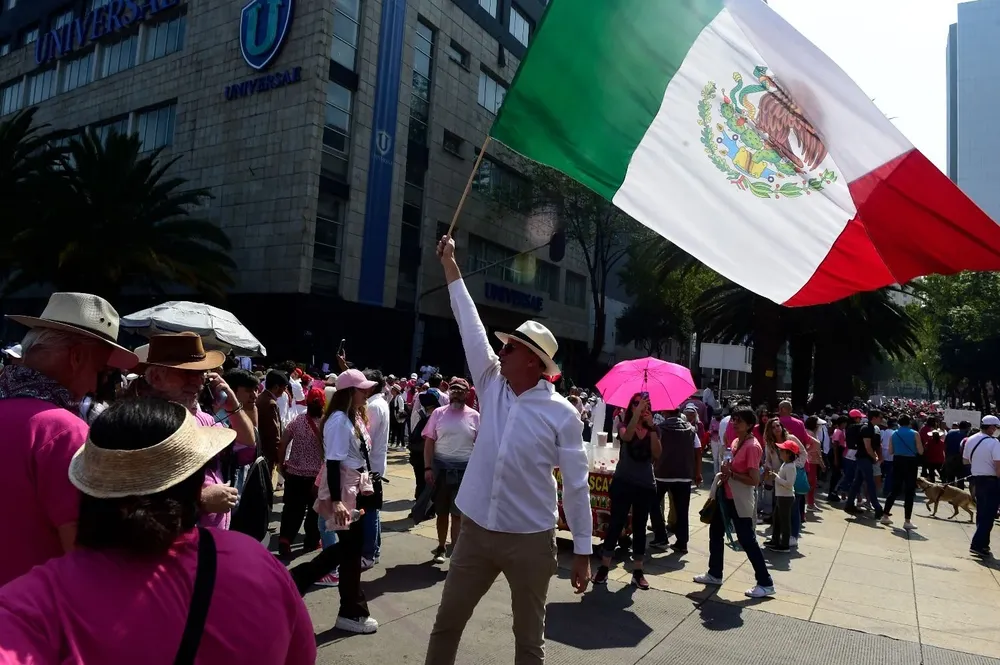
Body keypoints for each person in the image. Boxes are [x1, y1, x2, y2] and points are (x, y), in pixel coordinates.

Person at [0, 398, 315, 664]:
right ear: (195, 482)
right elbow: (301, 655)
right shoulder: (257, 563)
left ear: (90, 489)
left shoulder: (36, 601)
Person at [424, 235, 592, 665]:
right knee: (447, 624)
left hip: (532, 541)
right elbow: (469, 324)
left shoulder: (563, 415)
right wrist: (451, 266)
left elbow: (576, 487)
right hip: (476, 530)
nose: (502, 350)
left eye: (511, 347)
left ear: (535, 362)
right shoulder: (491, 382)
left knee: (528, 645)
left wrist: (585, 552)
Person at [0, 293, 138, 586]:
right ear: (76, 358)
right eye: (101, 372)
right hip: (35, 619)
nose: (93, 386)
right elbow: (83, 553)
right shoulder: (64, 431)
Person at [288, 369, 378, 633]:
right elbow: (335, 461)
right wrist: (338, 501)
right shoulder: (339, 420)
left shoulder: (352, 416)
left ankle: (304, 583)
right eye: (362, 389)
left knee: (350, 550)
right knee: (350, 549)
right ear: (350, 392)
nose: (367, 392)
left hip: (355, 485)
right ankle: (348, 610)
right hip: (345, 488)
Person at [140, 333, 255, 530]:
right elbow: (136, 497)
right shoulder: (140, 423)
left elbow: (246, 443)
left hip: (206, 546)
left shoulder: (203, 418)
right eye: (186, 372)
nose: (197, 381)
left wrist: (233, 404)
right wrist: (200, 500)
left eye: (201, 373)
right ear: (156, 377)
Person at [694, 406, 775, 598]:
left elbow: (755, 480)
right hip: (726, 497)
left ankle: (765, 582)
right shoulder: (737, 441)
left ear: (749, 425)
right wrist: (726, 469)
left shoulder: (752, 446)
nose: (734, 423)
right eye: (734, 419)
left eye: (738, 420)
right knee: (715, 533)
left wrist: (733, 474)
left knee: (747, 540)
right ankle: (715, 573)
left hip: (740, 500)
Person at [592, 394, 661, 589]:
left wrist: (652, 427)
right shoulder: (622, 424)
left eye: (644, 404)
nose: (640, 407)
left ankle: (637, 571)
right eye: (636, 403)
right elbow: (627, 436)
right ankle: (604, 568)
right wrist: (636, 416)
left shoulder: (653, 429)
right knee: (616, 524)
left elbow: (657, 454)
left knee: (640, 527)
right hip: (623, 481)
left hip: (646, 484)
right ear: (630, 406)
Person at [423, 377, 480, 564]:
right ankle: (441, 547)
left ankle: (455, 551)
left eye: (461, 391)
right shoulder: (438, 413)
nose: (456, 393)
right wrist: (428, 467)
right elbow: (429, 442)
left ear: (467, 394)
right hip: (440, 470)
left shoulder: (475, 416)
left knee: (457, 514)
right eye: (453, 390)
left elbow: (480, 446)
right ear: (449, 392)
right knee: (442, 512)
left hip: (464, 472)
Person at [277, 387, 326, 559]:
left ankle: (285, 539)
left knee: (291, 509)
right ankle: (312, 541)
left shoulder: (297, 421)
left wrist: (281, 464)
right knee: (314, 511)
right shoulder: (326, 424)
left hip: (294, 474)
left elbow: (282, 443)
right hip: (316, 478)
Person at [650, 406, 702, 553]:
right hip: (684, 474)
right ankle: (682, 541)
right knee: (682, 509)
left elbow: (653, 449)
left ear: (665, 412)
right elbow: (698, 450)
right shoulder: (691, 429)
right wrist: (697, 472)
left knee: (653, 504)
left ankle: (660, 536)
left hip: (662, 473)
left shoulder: (660, 428)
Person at [362, 368, 390, 568]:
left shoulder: (373, 406)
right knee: (373, 510)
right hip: (375, 464)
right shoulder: (378, 403)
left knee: (369, 510)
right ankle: (375, 550)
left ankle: (369, 554)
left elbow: (365, 438)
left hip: (370, 465)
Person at [965, 415, 1000, 558]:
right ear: (991, 427)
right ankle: (977, 544)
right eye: (996, 428)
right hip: (991, 481)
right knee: (989, 515)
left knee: (981, 512)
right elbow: (998, 467)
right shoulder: (994, 443)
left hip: (977, 479)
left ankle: (984, 544)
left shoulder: (971, 439)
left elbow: (965, 460)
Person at [881, 414, 923, 530]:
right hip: (910, 462)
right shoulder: (915, 434)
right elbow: (920, 451)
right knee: (909, 491)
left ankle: (885, 515)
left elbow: (890, 451)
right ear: (909, 422)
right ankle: (907, 521)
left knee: (894, 489)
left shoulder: (894, 434)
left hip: (898, 461)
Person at [844, 409, 885, 520]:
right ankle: (878, 508)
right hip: (864, 459)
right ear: (874, 418)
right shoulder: (867, 429)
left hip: (864, 459)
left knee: (857, 482)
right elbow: (867, 446)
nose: (882, 420)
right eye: (880, 417)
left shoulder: (870, 428)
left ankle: (849, 504)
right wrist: (875, 457)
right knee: (870, 483)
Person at [765, 440, 800, 552]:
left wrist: (776, 478)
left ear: (789, 453)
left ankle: (784, 545)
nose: (780, 452)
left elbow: (789, 484)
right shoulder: (785, 464)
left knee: (785, 522)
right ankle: (775, 540)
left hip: (786, 497)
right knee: (777, 519)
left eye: (782, 450)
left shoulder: (790, 467)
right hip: (781, 496)